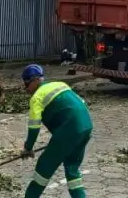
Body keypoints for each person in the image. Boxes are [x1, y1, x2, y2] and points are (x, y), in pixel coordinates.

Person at [19, 64, 93, 198]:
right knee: (72, 170)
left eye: (27, 84)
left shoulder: (37, 98)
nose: (26, 89)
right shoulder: (60, 84)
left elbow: (34, 127)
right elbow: (81, 102)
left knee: (43, 169)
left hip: (69, 131)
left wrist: (28, 148)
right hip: (86, 126)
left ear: (35, 80)